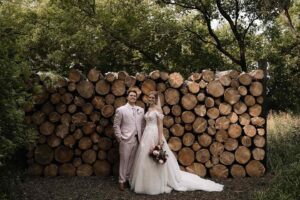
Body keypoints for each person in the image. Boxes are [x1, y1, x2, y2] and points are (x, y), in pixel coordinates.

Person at [130, 91, 224, 195]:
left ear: (156, 99)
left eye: (153, 98)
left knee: (155, 156)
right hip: (146, 135)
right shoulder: (148, 109)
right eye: (149, 97)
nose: (151, 99)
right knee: (145, 157)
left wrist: (160, 139)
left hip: (154, 133)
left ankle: (158, 181)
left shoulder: (158, 110)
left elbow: (160, 125)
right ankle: (145, 182)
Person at [113, 89, 145, 191]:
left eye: (134, 96)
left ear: (136, 98)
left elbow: (142, 125)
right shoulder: (121, 110)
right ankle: (121, 181)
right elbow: (116, 125)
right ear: (127, 97)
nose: (133, 97)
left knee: (132, 161)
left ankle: (128, 179)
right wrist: (119, 138)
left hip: (137, 139)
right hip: (125, 139)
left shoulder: (140, 110)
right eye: (131, 95)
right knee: (124, 161)